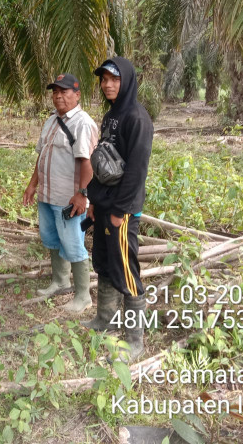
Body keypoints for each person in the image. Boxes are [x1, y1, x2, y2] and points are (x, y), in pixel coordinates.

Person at [83, 57, 154, 362]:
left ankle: (134, 341)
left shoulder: (137, 119)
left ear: (126, 81)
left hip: (121, 210)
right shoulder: (112, 114)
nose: (108, 84)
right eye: (103, 79)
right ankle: (105, 319)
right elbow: (102, 162)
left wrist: (119, 210)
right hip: (104, 204)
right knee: (104, 262)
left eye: (114, 79)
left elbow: (137, 171)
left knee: (126, 269)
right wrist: (93, 201)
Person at [23, 73, 98, 313]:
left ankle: (83, 295)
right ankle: (60, 281)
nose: (58, 96)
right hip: (48, 193)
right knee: (51, 238)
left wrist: (82, 193)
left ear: (77, 95)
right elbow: (41, 155)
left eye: (64, 92)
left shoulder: (82, 123)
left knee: (73, 242)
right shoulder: (51, 120)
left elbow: (88, 163)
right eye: (55, 92)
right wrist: (33, 184)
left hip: (69, 198)